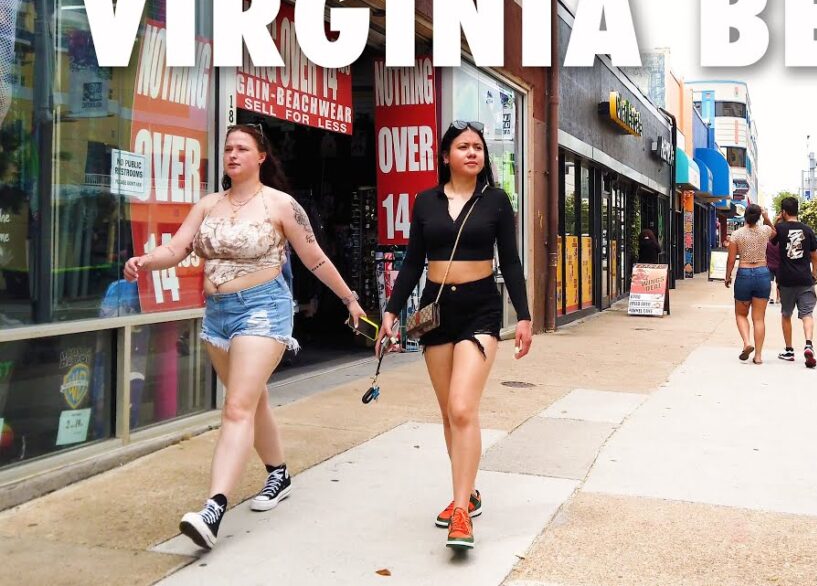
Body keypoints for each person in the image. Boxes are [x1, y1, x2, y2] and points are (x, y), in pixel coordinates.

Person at [122, 124, 366, 551]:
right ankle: (279, 473)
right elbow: (177, 249)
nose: (233, 155)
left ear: (261, 157)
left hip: (264, 309)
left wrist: (350, 299)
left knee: (236, 407)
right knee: (253, 402)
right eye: (228, 149)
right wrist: (145, 260)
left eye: (242, 149)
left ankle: (213, 508)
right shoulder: (208, 205)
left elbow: (314, 257)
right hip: (217, 316)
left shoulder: (281, 205)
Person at [375, 120, 534, 551]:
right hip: (436, 313)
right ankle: (469, 490)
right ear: (445, 156)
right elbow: (412, 263)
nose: (472, 153)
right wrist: (391, 311)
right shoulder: (425, 202)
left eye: (477, 148)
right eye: (462, 147)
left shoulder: (497, 201)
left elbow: (513, 263)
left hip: (481, 310)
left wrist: (523, 316)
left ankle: (461, 511)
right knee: (449, 413)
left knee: (464, 407)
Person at [771, 197, 817, 368]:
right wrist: (814, 274)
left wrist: (777, 221)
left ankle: (789, 350)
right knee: (807, 314)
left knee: (786, 314)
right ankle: (808, 344)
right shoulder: (807, 230)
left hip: (786, 280)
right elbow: (815, 257)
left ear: (783, 212)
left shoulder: (780, 228)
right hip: (805, 279)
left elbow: (771, 239)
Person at [724, 204, 775, 364]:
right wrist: (767, 217)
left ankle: (747, 343)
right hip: (762, 273)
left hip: (744, 274)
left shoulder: (736, 235)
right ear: (758, 217)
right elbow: (775, 232)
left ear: (745, 216)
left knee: (741, 314)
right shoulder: (765, 231)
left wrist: (727, 276)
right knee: (759, 319)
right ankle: (758, 356)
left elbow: (731, 260)